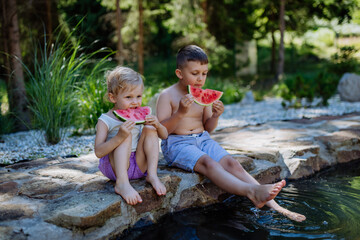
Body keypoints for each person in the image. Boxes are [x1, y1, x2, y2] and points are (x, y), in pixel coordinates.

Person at [156, 45, 306, 222]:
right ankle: (252, 192)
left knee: (232, 163)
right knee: (209, 163)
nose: (200, 79)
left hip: (202, 139)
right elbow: (163, 132)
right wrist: (180, 112)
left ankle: (279, 208)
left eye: (204, 73)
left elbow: (207, 128)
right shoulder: (167, 96)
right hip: (177, 144)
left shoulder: (202, 95)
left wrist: (216, 116)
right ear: (179, 73)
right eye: (195, 73)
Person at [95, 66, 168, 205]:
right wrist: (118, 137)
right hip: (115, 168)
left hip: (140, 166)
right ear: (112, 97)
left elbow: (164, 136)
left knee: (149, 128)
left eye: (138, 96)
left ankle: (152, 175)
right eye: (128, 97)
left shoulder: (142, 113)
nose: (135, 102)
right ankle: (122, 184)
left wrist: (157, 125)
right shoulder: (105, 120)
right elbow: (98, 152)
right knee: (125, 135)